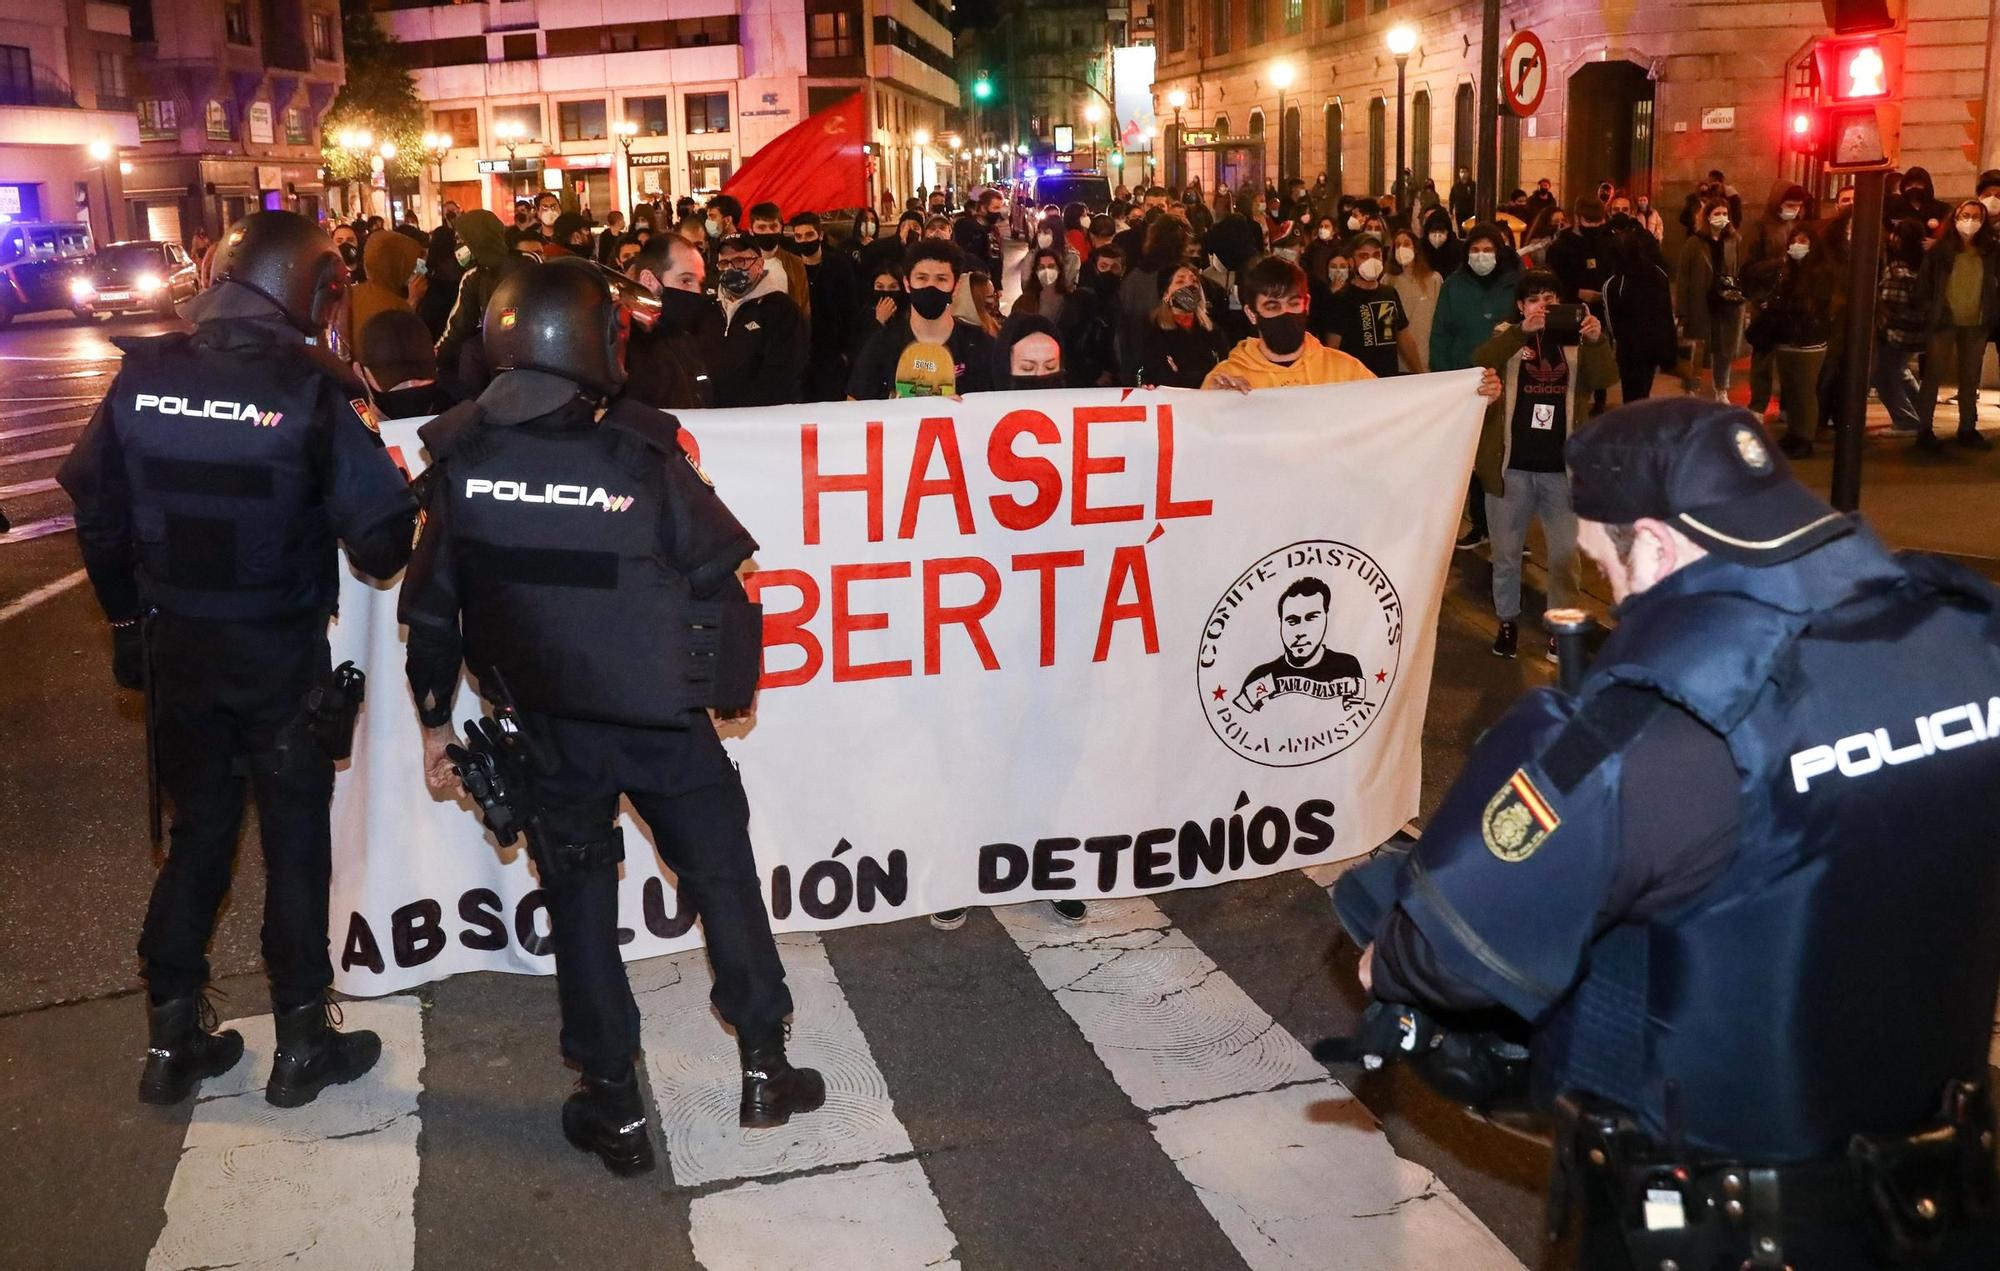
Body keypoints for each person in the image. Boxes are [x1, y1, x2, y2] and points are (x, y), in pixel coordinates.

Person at [1338, 394, 2000, 1271]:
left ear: (1652, 543)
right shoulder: (1966, 628)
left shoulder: (1657, 726)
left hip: (1726, 1230)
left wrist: (1385, 958)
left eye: (1606, 561)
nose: (1610, 587)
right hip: (1948, 1201)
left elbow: (1443, 951)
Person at [400, 259, 825, 1177]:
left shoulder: (461, 457)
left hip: (551, 733)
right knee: (722, 878)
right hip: (664, 725)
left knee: (581, 907)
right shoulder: (640, 451)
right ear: (598, 344)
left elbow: (430, 613)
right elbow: (732, 579)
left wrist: (436, 725)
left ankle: (615, 1106)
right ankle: (764, 1065)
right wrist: (722, 692)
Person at [56, 211, 417, 1108]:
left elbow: (94, 508)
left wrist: (127, 628)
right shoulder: (310, 387)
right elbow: (381, 545)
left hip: (178, 646)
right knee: (296, 843)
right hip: (275, 651)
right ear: (304, 286)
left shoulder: (143, 374)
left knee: (200, 837)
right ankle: (301, 1043)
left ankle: (172, 1042)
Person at [1471, 270, 1616, 661]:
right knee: (1505, 553)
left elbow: (1606, 377)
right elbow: (1478, 363)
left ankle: (1560, 628)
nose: (1542, 306)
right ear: (1521, 306)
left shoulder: (1576, 341)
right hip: (1510, 468)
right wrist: (1520, 333)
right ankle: (1506, 621)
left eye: (1550, 298)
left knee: (1565, 557)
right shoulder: (1508, 337)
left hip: (1562, 471)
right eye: (1534, 299)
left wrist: (1597, 340)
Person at [1432, 225, 1524, 550]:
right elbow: (1440, 332)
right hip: (1465, 377)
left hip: (1510, 378)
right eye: (1475, 250)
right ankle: (1480, 523)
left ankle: (1513, 529)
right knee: (1472, 453)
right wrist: (1442, 375)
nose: (1481, 256)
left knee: (1509, 452)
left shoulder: (1516, 284)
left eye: (1488, 250)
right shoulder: (1454, 285)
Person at [1202, 254, 1379, 391]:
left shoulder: (1347, 372)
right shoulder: (1227, 380)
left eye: (1294, 304)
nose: (1285, 313)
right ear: (1251, 313)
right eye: (1272, 306)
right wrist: (1215, 403)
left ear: (1307, 305)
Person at [848, 241, 996, 399]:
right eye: (922, 278)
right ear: (907, 284)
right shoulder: (880, 346)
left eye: (941, 279)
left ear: (956, 287)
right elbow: (853, 407)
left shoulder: (982, 347)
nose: (930, 286)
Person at [1913, 199, 1998, 453]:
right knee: (1933, 376)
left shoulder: (1990, 251)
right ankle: (1924, 429)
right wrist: (1931, 310)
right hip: (1943, 320)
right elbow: (1924, 285)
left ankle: (1967, 428)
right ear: (1956, 217)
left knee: (1970, 378)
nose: (1970, 221)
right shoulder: (1941, 251)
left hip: (1976, 321)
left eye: (1976, 216)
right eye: (1966, 215)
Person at [1751, 224, 1835, 459]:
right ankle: (1794, 433)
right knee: (1791, 388)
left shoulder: (1820, 271)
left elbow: (1812, 305)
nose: (1797, 245)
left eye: (1804, 240)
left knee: (1804, 389)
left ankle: (1804, 438)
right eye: (1794, 240)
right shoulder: (1787, 269)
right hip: (1786, 336)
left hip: (1808, 338)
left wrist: (1778, 306)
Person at [704, 233, 806, 407]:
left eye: (739, 261)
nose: (731, 269)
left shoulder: (782, 309)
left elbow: (782, 375)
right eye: (724, 263)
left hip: (761, 420)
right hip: (714, 420)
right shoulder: (708, 308)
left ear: (759, 264)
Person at [623, 235, 719, 411]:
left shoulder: (685, 337)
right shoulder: (624, 345)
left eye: (699, 282)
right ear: (648, 281)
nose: (696, 292)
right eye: (685, 281)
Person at [1675, 197, 1745, 402]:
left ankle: (1721, 389)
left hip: (1726, 303)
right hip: (1701, 303)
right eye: (1717, 214)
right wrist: (1682, 310)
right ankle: (1692, 388)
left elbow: (1739, 271)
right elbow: (1683, 277)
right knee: (1698, 348)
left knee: (1724, 350)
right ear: (1707, 217)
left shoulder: (1732, 241)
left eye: (1725, 214)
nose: (1721, 218)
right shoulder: (1694, 243)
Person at [1318, 235, 1416, 379]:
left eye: (1376, 255)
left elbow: (1405, 339)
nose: (1372, 261)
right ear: (1351, 262)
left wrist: (1422, 373)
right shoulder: (1341, 299)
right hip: (1356, 383)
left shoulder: (1389, 293)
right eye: (1364, 256)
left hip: (1388, 380)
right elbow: (1332, 349)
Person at [1602, 223, 1677, 406]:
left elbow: (1612, 323)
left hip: (1629, 347)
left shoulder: (1614, 284)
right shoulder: (1658, 274)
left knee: (1631, 392)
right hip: (1654, 344)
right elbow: (1666, 312)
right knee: (1644, 388)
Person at [787, 211, 858, 402]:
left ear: (820, 235)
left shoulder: (838, 265)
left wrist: (845, 354)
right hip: (800, 356)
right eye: (799, 236)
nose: (803, 240)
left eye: (809, 235)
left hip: (832, 356)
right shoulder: (791, 268)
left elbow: (850, 309)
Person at [1873, 218, 1931, 435]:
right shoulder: (1922, 266)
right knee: (1900, 371)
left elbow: (1892, 305)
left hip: (1897, 334)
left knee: (1884, 375)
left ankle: (1906, 420)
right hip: (1916, 333)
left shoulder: (1897, 270)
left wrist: (1882, 328)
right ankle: (1922, 412)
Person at [338, 227, 424, 361]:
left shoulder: (352, 294)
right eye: (410, 261)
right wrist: (412, 302)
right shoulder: (390, 303)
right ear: (396, 263)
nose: (415, 268)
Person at [1140, 264, 1231, 389]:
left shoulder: (1213, 331)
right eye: (1180, 281)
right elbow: (1157, 375)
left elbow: (1226, 368)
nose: (1190, 285)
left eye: (1194, 281)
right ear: (1166, 295)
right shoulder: (1152, 331)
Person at [358, 309, 456, 418]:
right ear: (360, 373)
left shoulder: (463, 418)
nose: (411, 385)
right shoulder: (345, 429)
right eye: (394, 381)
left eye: (421, 377)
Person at [746, 202, 812, 324]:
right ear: (751, 230)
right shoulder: (742, 264)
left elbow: (804, 306)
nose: (768, 232)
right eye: (761, 227)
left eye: (773, 227)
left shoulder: (795, 262)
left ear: (781, 228)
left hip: (787, 332)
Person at [1387, 228, 1440, 375]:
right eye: (1398, 245)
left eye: (1406, 244)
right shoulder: (1387, 280)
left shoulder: (1433, 279)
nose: (1402, 248)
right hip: (1398, 359)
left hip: (1426, 353)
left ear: (1415, 248)